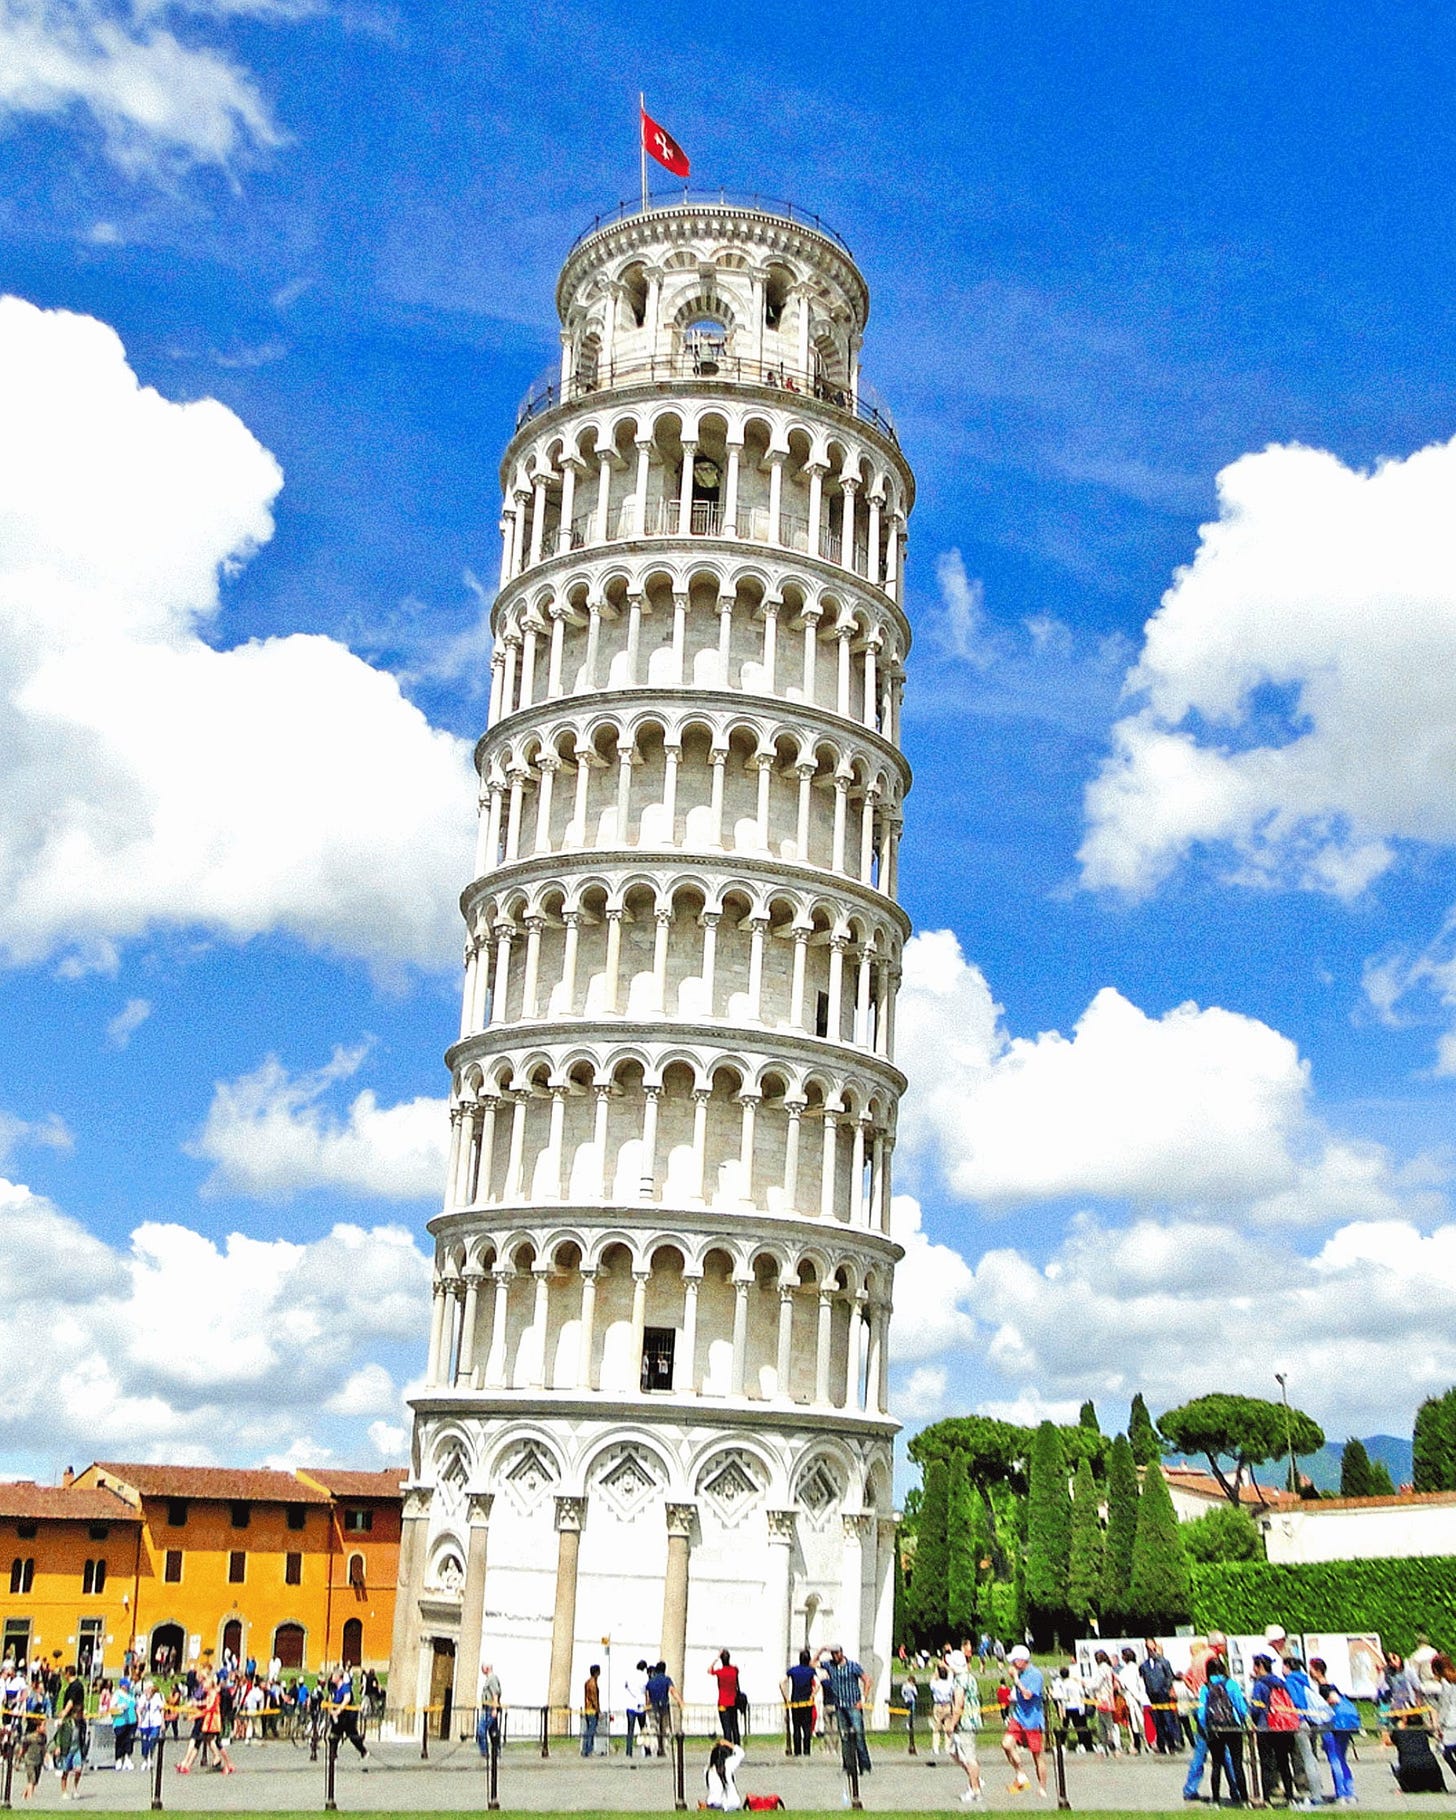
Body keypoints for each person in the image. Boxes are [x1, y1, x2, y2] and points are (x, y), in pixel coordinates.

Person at [1198, 1652, 1250, 1807]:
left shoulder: (1205, 1687)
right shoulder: (1231, 1684)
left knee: (1216, 1765)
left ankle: (1215, 1799)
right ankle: (1244, 1799)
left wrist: (1205, 1727)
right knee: (1237, 1764)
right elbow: (1240, 1706)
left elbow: (1201, 1711)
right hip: (1232, 1727)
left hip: (1214, 1729)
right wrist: (1242, 1721)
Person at [1249, 1652, 1300, 1806]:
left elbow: (1256, 1708)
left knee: (1266, 1763)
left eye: (1255, 1666)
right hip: (1283, 1726)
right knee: (1284, 1762)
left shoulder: (1260, 1685)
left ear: (1260, 1667)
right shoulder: (1280, 1682)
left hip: (1266, 1727)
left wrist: (1252, 1719)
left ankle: (1266, 1797)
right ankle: (1290, 1796)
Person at [1309, 1655, 1360, 1804]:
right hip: (1344, 1724)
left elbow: (1333, 1700)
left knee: (1334, 1759)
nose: (1310, 1672)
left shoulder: (1322, 1688)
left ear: (1318, 1671)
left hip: (1330, 1725)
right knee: (1342, 1759)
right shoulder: (1333, 1685)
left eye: (1312, 1669)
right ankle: (1350, 1792)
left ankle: (1341, 1794)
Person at [817, 1644, 871, 1777]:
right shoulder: (830, 1666)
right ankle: (847, 1765)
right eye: (833, 1654)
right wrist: (821, 1650)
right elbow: (812, 1664)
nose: (835, 1656)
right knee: (844, 1737)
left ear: (841, 1653)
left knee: (858, 1735)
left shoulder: (853, 1666)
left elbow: (867, 1680)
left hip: (853, 1705)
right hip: (839, 1706)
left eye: (836, 1653)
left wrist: (863, 1699)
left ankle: (864, 1765)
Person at [1002, 1644, 1048, 1797]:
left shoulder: (1035, 1675)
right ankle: (1021, 1774)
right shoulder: (1020, 1673)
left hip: (1032, 1720)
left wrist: (1016, 1680)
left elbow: (1028, 1695)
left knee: (1037, 1755)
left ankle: (1042, 1787)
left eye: (1015, 1661)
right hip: (1018, 1717)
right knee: (1006, 1744)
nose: (1012, 1664)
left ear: (1022, 1661)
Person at [947, 1647, 984, 1806]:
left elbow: (959, 1704)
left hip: (966, 1721)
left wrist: (952, 1723)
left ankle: (975, 1789)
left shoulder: (960, 1681)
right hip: (971, 1719)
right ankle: (975, 1778)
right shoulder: (970, 1677)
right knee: (953, 1751)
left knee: (969, 1756)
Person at [1140, 1640, 1180, 1753]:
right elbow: (1145, 1679)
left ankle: (1172, 1743)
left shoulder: (1163, 1662)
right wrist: (1149, 1691)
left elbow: (1169, 1676)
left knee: (1168, 1719)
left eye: (1153, 1648)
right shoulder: (1145, 1665)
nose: (1152, 1651)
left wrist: (1166, 1689)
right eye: (1149, 1649)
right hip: (1153, 1696)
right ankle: (1161, 1744)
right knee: (1157, 1721)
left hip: (1164, 1695)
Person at [782, 1649, 817, 1758]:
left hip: (795, 1702)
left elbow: (781, 1682)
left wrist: (785, 1697)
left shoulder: (793, 1670)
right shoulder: (811, 1671)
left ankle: (797, 1750)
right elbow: (818, 1684)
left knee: (796, 1727)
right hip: (807, 1703)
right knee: (806, 1727)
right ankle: (806, 1750)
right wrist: (813, 1695)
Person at [328, 1668, 367, 1763]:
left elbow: (347, 1698)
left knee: (352, 1736)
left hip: (347, 1716)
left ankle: (363, 1751)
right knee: (333, 1736)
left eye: (333, 1676)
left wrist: (339, 1709)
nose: (332, 1677)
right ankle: (333, 1754)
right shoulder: (335, 1689)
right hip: (338, 1716)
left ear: (338, 1677)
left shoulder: (345, 1687)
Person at [646, 1660, 680, 1756]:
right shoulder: (666, 1679)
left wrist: (647, 1706)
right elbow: (672, 1691)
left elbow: (648, 1696)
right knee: (665, 1728)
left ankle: (657, 1748)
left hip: (653, 1707)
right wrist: (680, 1701)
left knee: (655, 1728)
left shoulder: (650, 1681)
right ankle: (665, 1748)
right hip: (664, 1706)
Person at [1089, 1649, 1120, 1756]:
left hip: (1103, 1698)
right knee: (1102, 1723)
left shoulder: (1102, 1668)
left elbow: (1097, 1683)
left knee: (1108, 1724)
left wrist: (1087, 1684)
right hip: (1104, 1698)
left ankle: (1115, 1747)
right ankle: (1104, 1746)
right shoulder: (1109, 1668)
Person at [1117, 1647, 1147, 1754]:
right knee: (1141, 1721)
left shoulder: (1125, 1671)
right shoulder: (1137, 1668)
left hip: (1130, 1698)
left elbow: (1123, 1686)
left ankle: (1137, 1744)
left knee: (1134, 1722)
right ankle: (1147, 1743)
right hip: (1139, 1698)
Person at [704, 1739, 745, 1811]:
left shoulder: (708, 1769)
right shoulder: (728, 1764)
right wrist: (729, 1744)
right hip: (731, 1804)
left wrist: (715, 1747)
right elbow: (741, 1753)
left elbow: (713, 1756)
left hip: (713, 1803)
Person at [711, 1650, 741, 1745]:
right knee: (735, 1726)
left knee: (726, 1728)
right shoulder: (734, 1670)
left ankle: (728, 1748)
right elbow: (737, 1682)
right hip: (733, 1702)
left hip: (723, 1703)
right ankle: (737, 1747)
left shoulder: (720, 1672)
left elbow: (709, 1670)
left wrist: (716, 1658)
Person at [928, 1657, 955, 1755]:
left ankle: (936, 1747)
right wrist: (945, 1665)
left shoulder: (936, 1684)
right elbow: (951, 1673)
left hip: (938, 1705)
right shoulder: (949, 1683)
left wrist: (937, 1669)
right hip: (948, 1705)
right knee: (948, 1728)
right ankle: (947, 1747)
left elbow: (932, 1680)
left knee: (936, 1728)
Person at [623, 1658, 647, 1758]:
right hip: (641, 1705)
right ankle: (646, 1750)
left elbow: (626, 1685)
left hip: (630, 1705)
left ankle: (629, 1751)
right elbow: (645, 1689)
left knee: (630, 1730)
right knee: (643, 1729)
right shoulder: (644, 1676)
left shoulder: (630, 1675)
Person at [476, 1664, 501, 1756]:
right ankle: (496, 1751)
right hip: (487, 1707)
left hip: (489, 1709)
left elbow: (495, 1694)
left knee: (481, 1730)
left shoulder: (492, 1679)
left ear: (487, 1668)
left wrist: (494, 1708)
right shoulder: (489, 1679)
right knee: (493, 1731)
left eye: (483, 1667)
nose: (482, 1669)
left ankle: (484, 1752)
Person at [581, 1664, 601, 1757]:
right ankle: (588, 1749)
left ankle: (587, 1748)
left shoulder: (587, 1682)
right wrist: (598, 1710)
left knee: (589, 1729)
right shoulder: (592, 1684)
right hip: (592, 1710)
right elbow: (594, 1698)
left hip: (587, 1708)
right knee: (591, 1730)